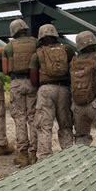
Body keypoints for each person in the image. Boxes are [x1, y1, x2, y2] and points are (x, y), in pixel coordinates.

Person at [29, 24, 75, 160]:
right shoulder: (67, 50)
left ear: (41, 37)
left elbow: (33, 79)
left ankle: (44, 158)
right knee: (65, 124)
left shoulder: (37, 54)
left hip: (46, 89)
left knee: (44, 125)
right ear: (55, 35)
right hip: (65, 89)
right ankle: (69, 154)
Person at [2, 19, 38, 166]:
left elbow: (5, 70)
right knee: (33, 117)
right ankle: (35, 153)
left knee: (20, 118)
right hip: (33, 82)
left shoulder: (9, 47)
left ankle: (23, 154)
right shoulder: (35, 42)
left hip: (17, 83)